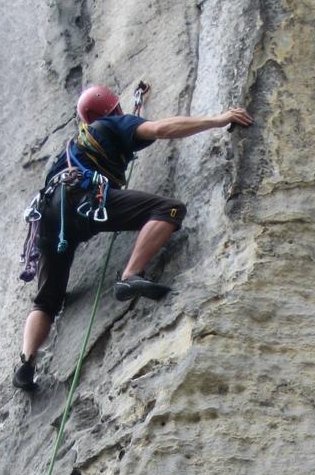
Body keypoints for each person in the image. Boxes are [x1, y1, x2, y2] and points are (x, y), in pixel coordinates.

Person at [13, 85, 253, 390]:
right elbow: (161, 129)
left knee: (47, 301)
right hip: (84, 200)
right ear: (114, 110)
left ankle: (26, 364)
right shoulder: (113, 124)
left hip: (49, 215)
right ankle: (130, 276)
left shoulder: (73, 149)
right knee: (169, 210)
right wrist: (217, 120)